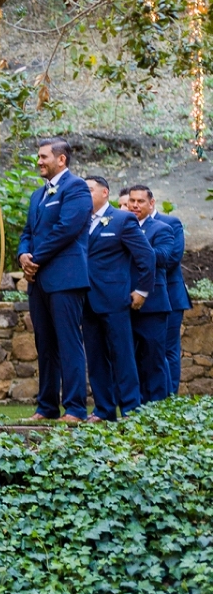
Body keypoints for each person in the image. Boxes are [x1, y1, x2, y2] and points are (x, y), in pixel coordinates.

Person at [18, 138, 92, 424]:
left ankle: (74, 408)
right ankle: (46, 406)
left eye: (43, 156)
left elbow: (66, 230)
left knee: (69, 342)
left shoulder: (76, 189)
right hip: (38, 282)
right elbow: (28, 231)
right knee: (45, 344)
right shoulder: (38, 195)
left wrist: (35, 258)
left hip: (65, 279)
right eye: (38, 156)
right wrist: (23, 253)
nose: (39, 161)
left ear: (61, 160)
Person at [82, 176, 155, 422]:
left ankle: (130, 409)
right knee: (95, 358)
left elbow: (146, 257)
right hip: (85, 299)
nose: (85, 194)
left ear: (105, 192)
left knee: (122, 356)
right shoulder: (79, 221)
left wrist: (142, 291)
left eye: (89, 190)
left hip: (114, 300)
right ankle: (103, 410)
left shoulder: (123, 219)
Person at [127, 184, 174, 402]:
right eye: (132, 201)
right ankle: (135, 406)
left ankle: (157, 407)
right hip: (124, 301)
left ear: (151, 203)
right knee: (131, 359)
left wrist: (138, 248)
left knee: (154, 358)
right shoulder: (121, 225)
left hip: (153, 304)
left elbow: (164, 257)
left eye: (140, 201)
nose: (135, 205)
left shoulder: (161, 228)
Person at [154, 207, 190, 395]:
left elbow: (173, 257)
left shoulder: (171, 222)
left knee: (169, 349)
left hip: (171, 294)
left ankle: (170, 396)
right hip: (142, 296)